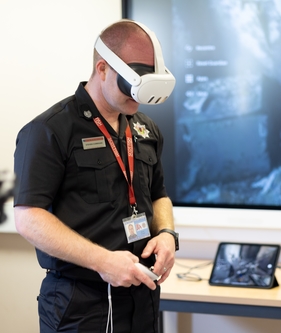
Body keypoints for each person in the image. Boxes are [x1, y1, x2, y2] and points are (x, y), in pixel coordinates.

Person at [13, 20, 178, 333]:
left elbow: (159, 194)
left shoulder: (145, 129)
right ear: (102, 69)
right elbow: (28, 218)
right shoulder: (50, 131)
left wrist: (167, 233)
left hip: (142, 298)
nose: (139, 98)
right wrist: (103, 262)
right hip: (80, 303)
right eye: (131, 84)